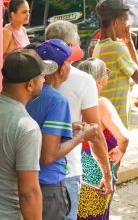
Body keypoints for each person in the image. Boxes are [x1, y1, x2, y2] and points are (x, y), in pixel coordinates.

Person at [45, 21, 114, 220]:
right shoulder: (82, 80)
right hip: (65, 171)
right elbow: (95, 133)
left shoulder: (32, 79)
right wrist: (107, 175)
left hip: (31, 169)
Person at [26, 40, 99, 220]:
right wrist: (81, 137)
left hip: (29, 181)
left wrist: (69, 127)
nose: (69, 67)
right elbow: (48, 156)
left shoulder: (31, 93)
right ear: (59, 69)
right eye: (68, 63)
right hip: (48, 186)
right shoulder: (57, 100)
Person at [0, 49, 57, 220]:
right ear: (30, 84)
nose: (44, 79)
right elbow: (28, 192)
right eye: (41, 76)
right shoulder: (27, 128)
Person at [77, 58, 129, 220]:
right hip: (97, 173)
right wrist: (120, 151)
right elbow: (124, 138)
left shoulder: (72, 101)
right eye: (107, 72)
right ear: (99, 81)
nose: (108, 76)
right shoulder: (101, 104)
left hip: (74, 172)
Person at [93, 0, 138, 127]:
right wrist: (130, 44)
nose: (127, 25)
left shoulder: (99, 46)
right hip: (115, 124)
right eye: (125, 21)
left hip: (105, 121)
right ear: (116, 22)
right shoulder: (117, 48)